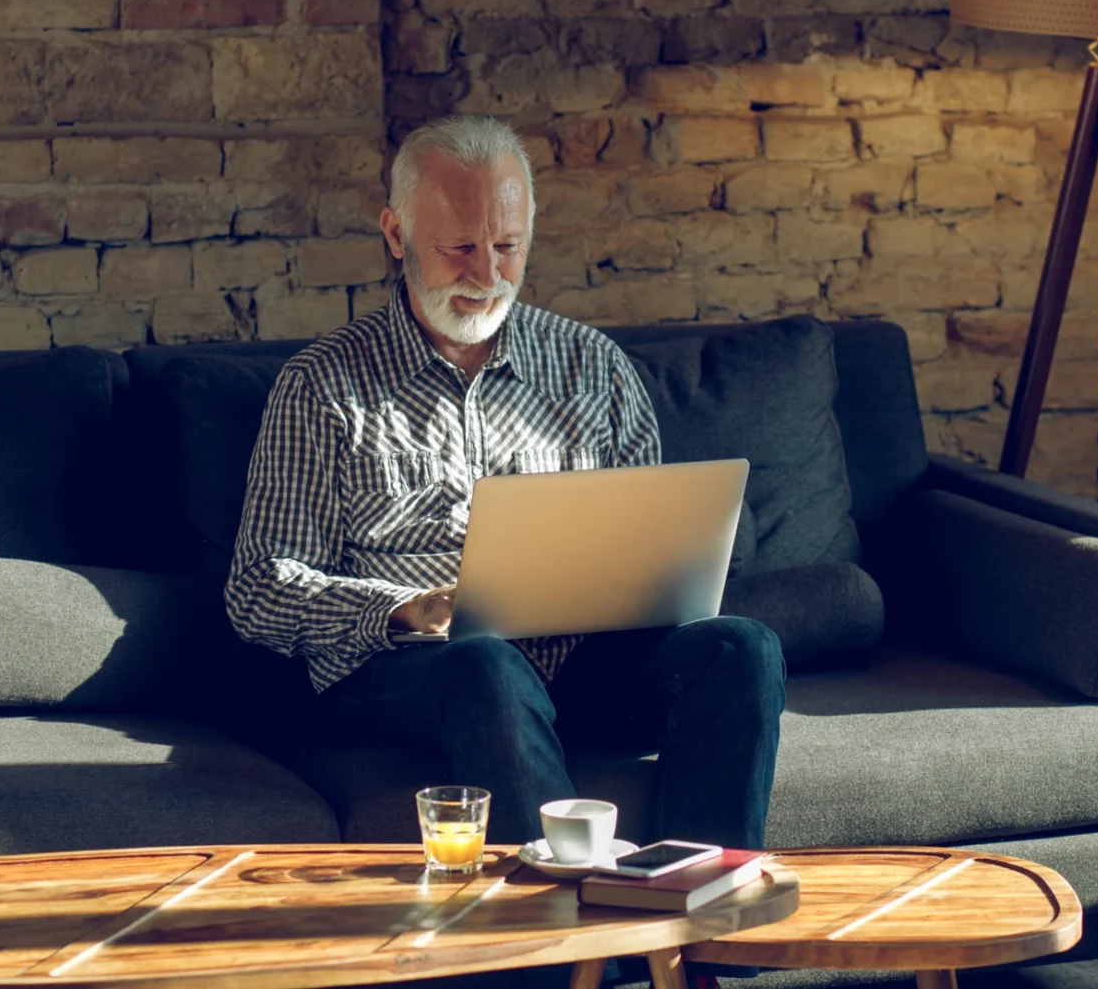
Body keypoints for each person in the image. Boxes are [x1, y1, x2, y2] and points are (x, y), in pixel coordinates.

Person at [226, 115, 785, 849]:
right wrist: (403, 609)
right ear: (395, 235)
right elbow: (257, 589)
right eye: (458, 248)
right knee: (484, 662)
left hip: (579, 666)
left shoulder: (596, 369)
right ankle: (562, 950)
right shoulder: (323, 385)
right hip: (413, 674)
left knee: (741, 648)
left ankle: (701, 927)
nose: (487, 275)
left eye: (507, 247)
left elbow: (657, 548)